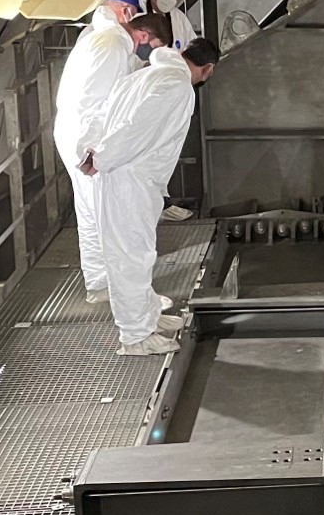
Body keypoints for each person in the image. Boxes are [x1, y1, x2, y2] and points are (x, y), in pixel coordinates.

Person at [81, 36, 221, 355]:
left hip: (123, 176)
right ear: (208, 69)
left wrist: (92, 150)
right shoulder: (176, 86)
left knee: (138, 253)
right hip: (129, 179)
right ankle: (135, 336)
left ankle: (149, 317)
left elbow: (100, 116)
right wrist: (101, 158)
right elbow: (136, 128)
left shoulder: (142, 75)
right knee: (130, 256)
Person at [51, 0, 164, 304]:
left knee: (92, 210)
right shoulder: (112, 43)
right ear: (127, 14)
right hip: (86, 138)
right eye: (143, 34)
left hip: (76, 133)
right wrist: (94, 150)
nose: (142, 42)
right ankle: (116, 287)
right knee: (108, 212)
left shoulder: (97, 37)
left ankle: (102, 283)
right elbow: (95, 102)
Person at [145, 0, 200, 223]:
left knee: (165, 150)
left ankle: (161, 200)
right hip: (145, 95)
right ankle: (151, 202)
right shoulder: (136, 16)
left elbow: (190, 46)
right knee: (143, 150)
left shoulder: (176, 17)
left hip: (170, 95)